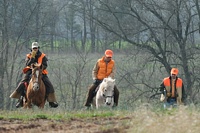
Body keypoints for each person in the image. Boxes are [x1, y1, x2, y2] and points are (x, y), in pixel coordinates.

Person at [10, 42, 58, 108]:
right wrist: (32, 59)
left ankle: (51, 101)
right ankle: (20, 99)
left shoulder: (42, 56)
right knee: (23, 83)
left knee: (49, 84)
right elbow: (27, 64)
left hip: (40, 71)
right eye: (34, 48)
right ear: (32, 49)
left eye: (36, 48)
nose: (35, 49)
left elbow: (45, 65)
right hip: (31, 71)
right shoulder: (29, 56)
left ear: (38, 48)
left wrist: (40, 66)